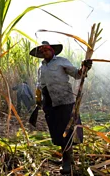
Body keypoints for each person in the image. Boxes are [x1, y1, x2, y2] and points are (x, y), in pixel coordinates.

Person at [30, 41, 92, 175]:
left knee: (67, 130)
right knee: (57, 131)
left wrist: (84, 67)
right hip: (49, 103)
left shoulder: (61, 62)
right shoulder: (41, 68)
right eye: (42, 51)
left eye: (47, 50)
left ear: (52, 51)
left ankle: (67, 160)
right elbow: (40, 84)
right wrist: (38, 99)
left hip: (64, 100)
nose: (44, 52)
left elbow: (77, 74)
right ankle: (67, 156)